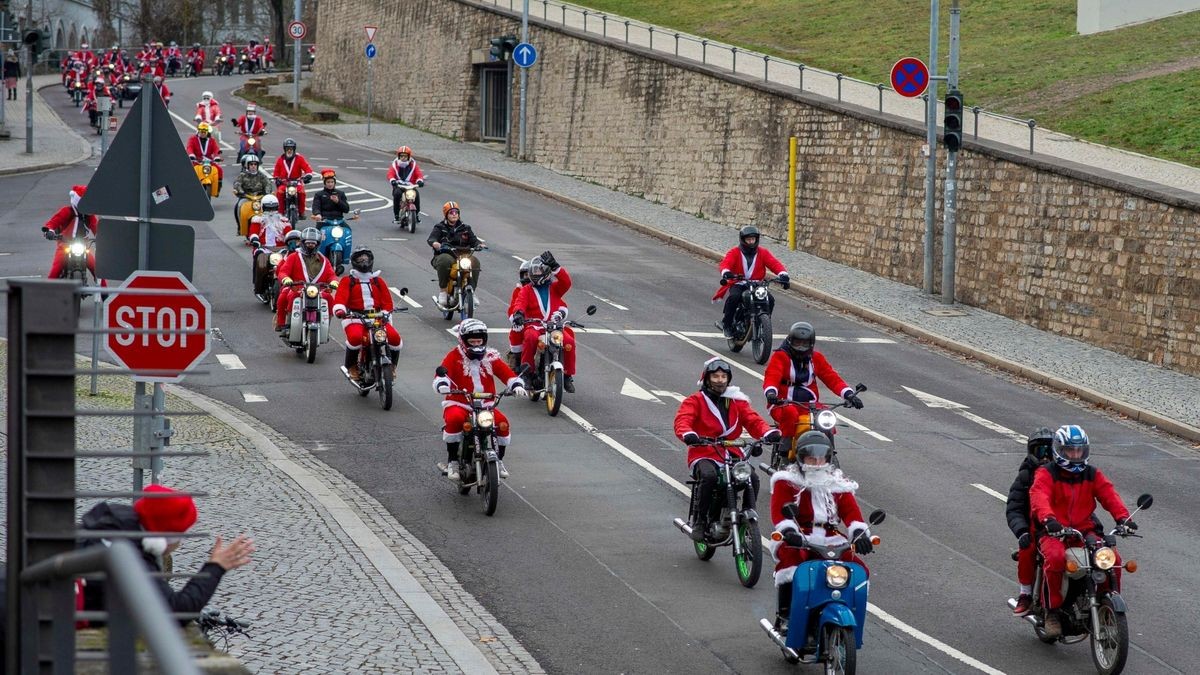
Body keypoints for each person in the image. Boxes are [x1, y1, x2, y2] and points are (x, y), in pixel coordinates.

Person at [78, 484, 255, 616]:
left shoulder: (112, 526)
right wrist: (216, 567)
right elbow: (175, 611)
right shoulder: (131, 554)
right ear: (165, 539)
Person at [1030, 425, 1133, 638]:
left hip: (1083, 529)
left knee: (1112, 559)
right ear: (1059, 450)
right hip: (1054, 532)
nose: (1075, 455)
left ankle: (1108, 606)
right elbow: (1039, 496)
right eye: (1070, 451)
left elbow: (1109, 495)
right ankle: (1053, 611)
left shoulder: (1092, 474)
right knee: (1056, 558)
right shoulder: (1046, 473)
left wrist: (1124, 518)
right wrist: (1049, 519)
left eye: (1079, 450)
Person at [769, 431, 871, 639]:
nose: (817, 463)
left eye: (821, 458)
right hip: (800, 535)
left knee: (858, 568)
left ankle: (847, 610)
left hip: (831, 536)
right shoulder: (787, 481)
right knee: (792, 565)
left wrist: (859, 532)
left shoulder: (836, 482)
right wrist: (789, 530)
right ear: (800, 458)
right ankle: (786, 616)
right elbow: (780, 511)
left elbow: (851, 512)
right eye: (811, 458)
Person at [675, 358, 781, 542]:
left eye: (723, 376)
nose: (720, 380)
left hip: (732, 453)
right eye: (715, 376)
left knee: (752, 478)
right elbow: (683, 420)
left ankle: (749, 514)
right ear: (707, 379)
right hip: (704, 452)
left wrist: (768, 433)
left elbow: (754, 420)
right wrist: (689, 434)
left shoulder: (736, 401)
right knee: (709, 477)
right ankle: (700, 522)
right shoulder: (695, 400)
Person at [432, 319, 526, 480]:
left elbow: (506, 373)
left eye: (479, 341)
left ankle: (499, 460)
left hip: (486, 406)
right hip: (460, 403)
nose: (476, 344)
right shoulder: (454, 356)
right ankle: (453, 461)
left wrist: (516, 384)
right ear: (463, 341)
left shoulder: (491, 357)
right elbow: (443, 375)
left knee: (503, 424)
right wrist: (442, 384)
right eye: (472, 341)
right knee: (454, 419)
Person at [763, 322, 863, 448]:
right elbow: (772, 376)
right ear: (790, 341)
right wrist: (771, 393)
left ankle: (829, 451)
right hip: (782, 403)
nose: (800, 347)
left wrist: (849, 395)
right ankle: (785, 448)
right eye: (797, 342)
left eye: (804, 343)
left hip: (810, 405)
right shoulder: (780, 356)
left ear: (811, 344)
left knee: (825, 415)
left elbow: (832, 378)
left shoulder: (817, 358)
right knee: (790, 413)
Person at [511, 252, 580, 390]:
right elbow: (520, 303)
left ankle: (567, 376)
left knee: (569, 342)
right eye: (534, 271)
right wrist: (518, 314)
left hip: (554, 327)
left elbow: (566, 283)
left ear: (547, 272)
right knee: (530, 338)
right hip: (534, 325)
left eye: (539, 270)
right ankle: (527, 373)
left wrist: (556, 267)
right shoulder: (526, 290)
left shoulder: (555, 288)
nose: (536, 274)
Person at [333, 248, 403, 380]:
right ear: (355, 261)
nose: (363, 262)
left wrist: (386, 313)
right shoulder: (348, 281)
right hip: (355, 318)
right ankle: (352, 366)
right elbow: (340, 298)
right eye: (360, 259)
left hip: (378, 318)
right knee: (355, 338)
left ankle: (392, 366)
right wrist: (340, 310)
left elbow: (387, 302)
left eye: (365, 259)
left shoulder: (378, 280)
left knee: (394, 338)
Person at [1006, 428, 1055, 616]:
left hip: (1061, 526)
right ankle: (1025, 594)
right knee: (1027, 550)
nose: (1045, 458)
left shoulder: (1063, 474)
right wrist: (1022, 531)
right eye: (1040, 452)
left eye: (1049, 452)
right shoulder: (1025, 476)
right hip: (1034, 528)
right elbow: (1014, 507)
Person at [713, 225, 789, 338]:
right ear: (743, 240)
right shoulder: (734, 252)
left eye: (753, 239)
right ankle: (727, 324)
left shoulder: (763, 252)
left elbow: (774, 263)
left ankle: (764, 325)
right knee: (734, 297)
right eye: (748, 239)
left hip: (757, 284)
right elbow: (725, 263)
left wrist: (783, 274)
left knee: (770, 299)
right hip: (739, 283)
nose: (751, 242)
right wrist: (726, 272)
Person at [275, 227, 339, 332]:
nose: (310, 245)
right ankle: (283, 323)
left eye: (313, 243)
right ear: (303, 243)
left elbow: (331, 274)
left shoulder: (324, 260)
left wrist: (333, 281)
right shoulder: (293, 256)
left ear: (318, 244)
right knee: (284, 296)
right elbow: (283, 272)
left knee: (329, 298)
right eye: (308, 243)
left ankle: (326, 326)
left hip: (318, 290)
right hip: (296, 287)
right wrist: (286, 279)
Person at [426, 202, 480, 304]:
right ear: (446, 214)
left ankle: (471, 292)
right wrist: (435, 243)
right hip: (446, 254)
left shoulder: (465, 228)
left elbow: (474, 240)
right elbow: (431, 239)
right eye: (451, 212)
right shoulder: (439, 227)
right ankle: (443, 291)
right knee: (444, 261)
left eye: (456, 212)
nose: (454, 214)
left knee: (475, 262)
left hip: (463, 255)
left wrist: (480, 245)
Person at [42, 185, 98, 279]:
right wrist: (49, 231)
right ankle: (48, 292)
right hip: (65, 246)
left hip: (83, 246)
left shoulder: (89, 216)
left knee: (97, 270)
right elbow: (52, 223)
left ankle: (105, 293)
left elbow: (97, 229)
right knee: (54, 272)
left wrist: (103, 237)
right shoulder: (67, 211)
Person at [250, 195, 293, 301]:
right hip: (263, 248)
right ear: (263, 208)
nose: (271, 211)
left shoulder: (284, 221)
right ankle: (258, 288)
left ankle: (292, 287)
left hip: (281, 248)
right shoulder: (257, 220)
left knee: (291, 261)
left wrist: (292, 240)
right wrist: (255, 240)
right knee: (261, 262)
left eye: (273, 208)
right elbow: (253, 232)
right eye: (268, 209)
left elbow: (289, 233)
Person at [273, 138, 315, 218]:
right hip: (284, 183)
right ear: (284, 149)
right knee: (279, 193)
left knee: (302, 193)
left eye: (291, 149)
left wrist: (308, 175)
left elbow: (307, 168)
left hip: (296, 182)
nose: (289, 150)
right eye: (287, 149)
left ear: (294, 149)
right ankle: (280, 213)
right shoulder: (280, 160)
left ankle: (301, 212)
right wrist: (277, 178)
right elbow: (276, 172)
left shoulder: (299, 158)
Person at [387, 145, 425, 224]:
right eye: (401, 156)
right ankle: (397, 215)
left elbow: (419, 174)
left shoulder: (413, 165)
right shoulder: (395, 165)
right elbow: (390, 174)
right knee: (397, 194)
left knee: (416, 195)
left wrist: (420, 181)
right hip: (399, 185)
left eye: (405, 156)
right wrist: (393, 180)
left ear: (409, 156)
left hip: (410, 186)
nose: (403, 158)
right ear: (398, 156)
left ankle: (416, 214)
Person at [505, 258, 532, 370]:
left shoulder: (547, 289)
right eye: (526, 275)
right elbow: (513, 308)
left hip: (544, 323)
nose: (529, 278)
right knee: (516, 331)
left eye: (532, 275)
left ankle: (566, 373)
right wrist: (517, 317)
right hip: (525, 322)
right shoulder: (519, 290)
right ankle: (517, 360)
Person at [185, 122, 224, 190]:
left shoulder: (212, 140)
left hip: (208, 161)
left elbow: (216, 149)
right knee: (188, 171)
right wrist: (191, 155)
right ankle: (188, 187)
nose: (202, 133)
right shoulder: (192, 139)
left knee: (219, 170)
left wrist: (216, 157)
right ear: (198, 131)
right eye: (201, 131)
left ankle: (218, 186)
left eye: (204, 131)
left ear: (207, 132)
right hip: (196, 160)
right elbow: (189, 147)